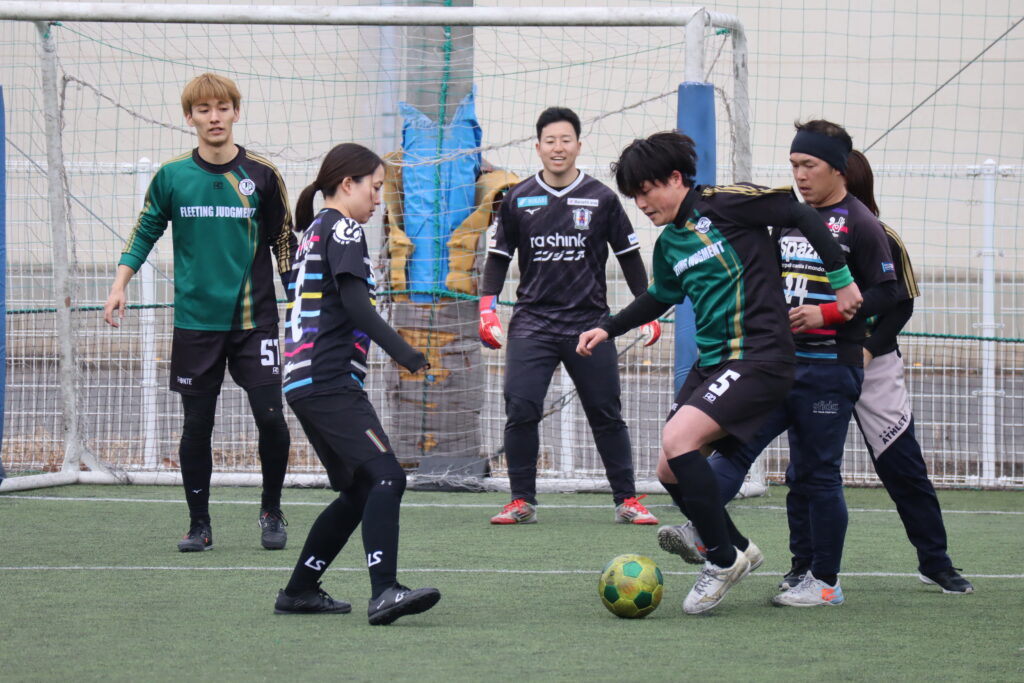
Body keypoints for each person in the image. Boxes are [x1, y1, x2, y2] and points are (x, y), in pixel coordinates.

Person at [577, 130, 862, 614]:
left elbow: (796, 212)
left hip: (760, 357)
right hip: (714, 363)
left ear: (675, 178)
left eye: (646, 191)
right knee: (668, 468)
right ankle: (738, 547)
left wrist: (841, 279)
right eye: (634, 196)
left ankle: (721, 559)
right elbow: (659, 296)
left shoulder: (726, 203)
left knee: (678, 440)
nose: (641, 204)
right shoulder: (670, 244)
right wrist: (608, 327)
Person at [702, 120, 901, 607]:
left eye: (809, 165)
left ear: (838, 168)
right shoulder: (791, 218)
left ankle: (826, 581)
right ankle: (712, 528)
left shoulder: (861, 223)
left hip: (831, 368)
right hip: (779, 365)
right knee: (734, 445)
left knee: (817, 474)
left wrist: (824, 313)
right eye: (794, 165)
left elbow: (889, 294)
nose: (800, 175)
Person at [103, 73, 294, 553]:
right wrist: (120, 284)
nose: (214, 117)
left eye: (222, 108)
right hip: (195, 324)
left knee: (272, 418)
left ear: (236, 112)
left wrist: (298, 300)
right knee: (196, 426)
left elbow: (283, 241)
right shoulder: (173, 177)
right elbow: (145, 230)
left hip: (255, 322)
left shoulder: (263, 175)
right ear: (190, 117)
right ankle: (199, 524)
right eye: (204, 109)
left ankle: (271, 510)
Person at [272, 143, 441, 624]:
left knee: (359, 490)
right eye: (375, 187)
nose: (378, 199)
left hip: (304, 381)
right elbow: (354, 306)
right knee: (387, 476)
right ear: (348, 184)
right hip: (328, 380)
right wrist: (406, 353)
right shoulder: (344, 228)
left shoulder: (312, 232)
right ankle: (384, 591)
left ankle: (299, 590)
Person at [479, 107, 661, 526]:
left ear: (578, 145)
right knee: (520, 407)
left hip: (590, 324)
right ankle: (521, 500)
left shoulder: (602, 198)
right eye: (550, 141)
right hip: (533, 324)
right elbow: (498, 258)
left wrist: (646, 309)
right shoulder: (518, 197)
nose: (558, 148)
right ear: (538, 146)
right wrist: (486, 307)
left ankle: (626, 499)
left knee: (606, 412)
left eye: (565, 140)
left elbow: (629, 256)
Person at [836, 149, 972, 593]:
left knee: (904, 466)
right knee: (809, 471)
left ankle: (936, 562)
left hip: (874, 368)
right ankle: (804, 569)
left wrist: (870, 349)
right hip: (815, 365)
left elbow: (902, 303)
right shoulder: (800, 234)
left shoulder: (882, 236)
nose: (803, 178)